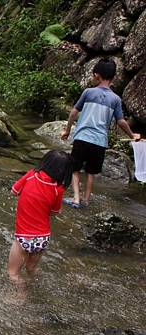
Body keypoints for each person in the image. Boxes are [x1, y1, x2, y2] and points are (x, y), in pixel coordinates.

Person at [61, 58, 141, 208]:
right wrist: (132, 135)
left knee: (75, 169)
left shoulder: (88, 92)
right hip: (99, 142)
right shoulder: (116, 99)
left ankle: (76, 199)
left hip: (82, 138)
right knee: (91, 173)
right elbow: (121, 121)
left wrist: (67, 130)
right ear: (113, 77)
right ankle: (86, 200)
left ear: (97, 75)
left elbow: (73, 113)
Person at [8, 150, 73, 285]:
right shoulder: (58, 189)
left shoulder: (31, 175)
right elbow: (55, 212)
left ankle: (20, 296)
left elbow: (13, 191)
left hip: (24, 236)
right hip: (43, 238)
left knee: (13, 273)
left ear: (45, 162)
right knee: (31, 268)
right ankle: (40, 285)